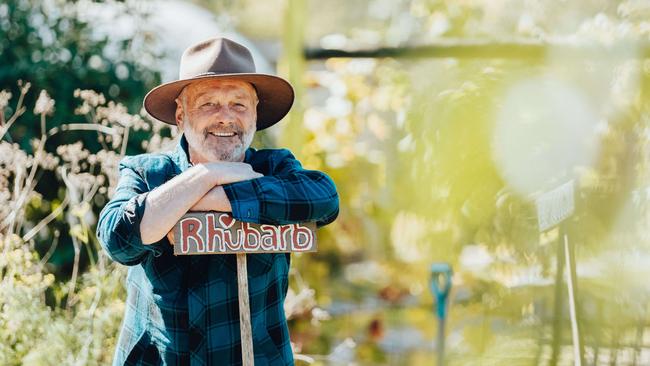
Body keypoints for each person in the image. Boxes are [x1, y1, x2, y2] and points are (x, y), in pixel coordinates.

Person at [96, 37, 339, 366]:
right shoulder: (145, 172)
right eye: (208, 104)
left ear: (255, 115)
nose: (226, 117)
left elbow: (325, 199)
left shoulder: (275, 168)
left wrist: (210, 199)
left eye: (239, 104)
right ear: (181, 115)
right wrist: (205, 175)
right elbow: (117, 239)